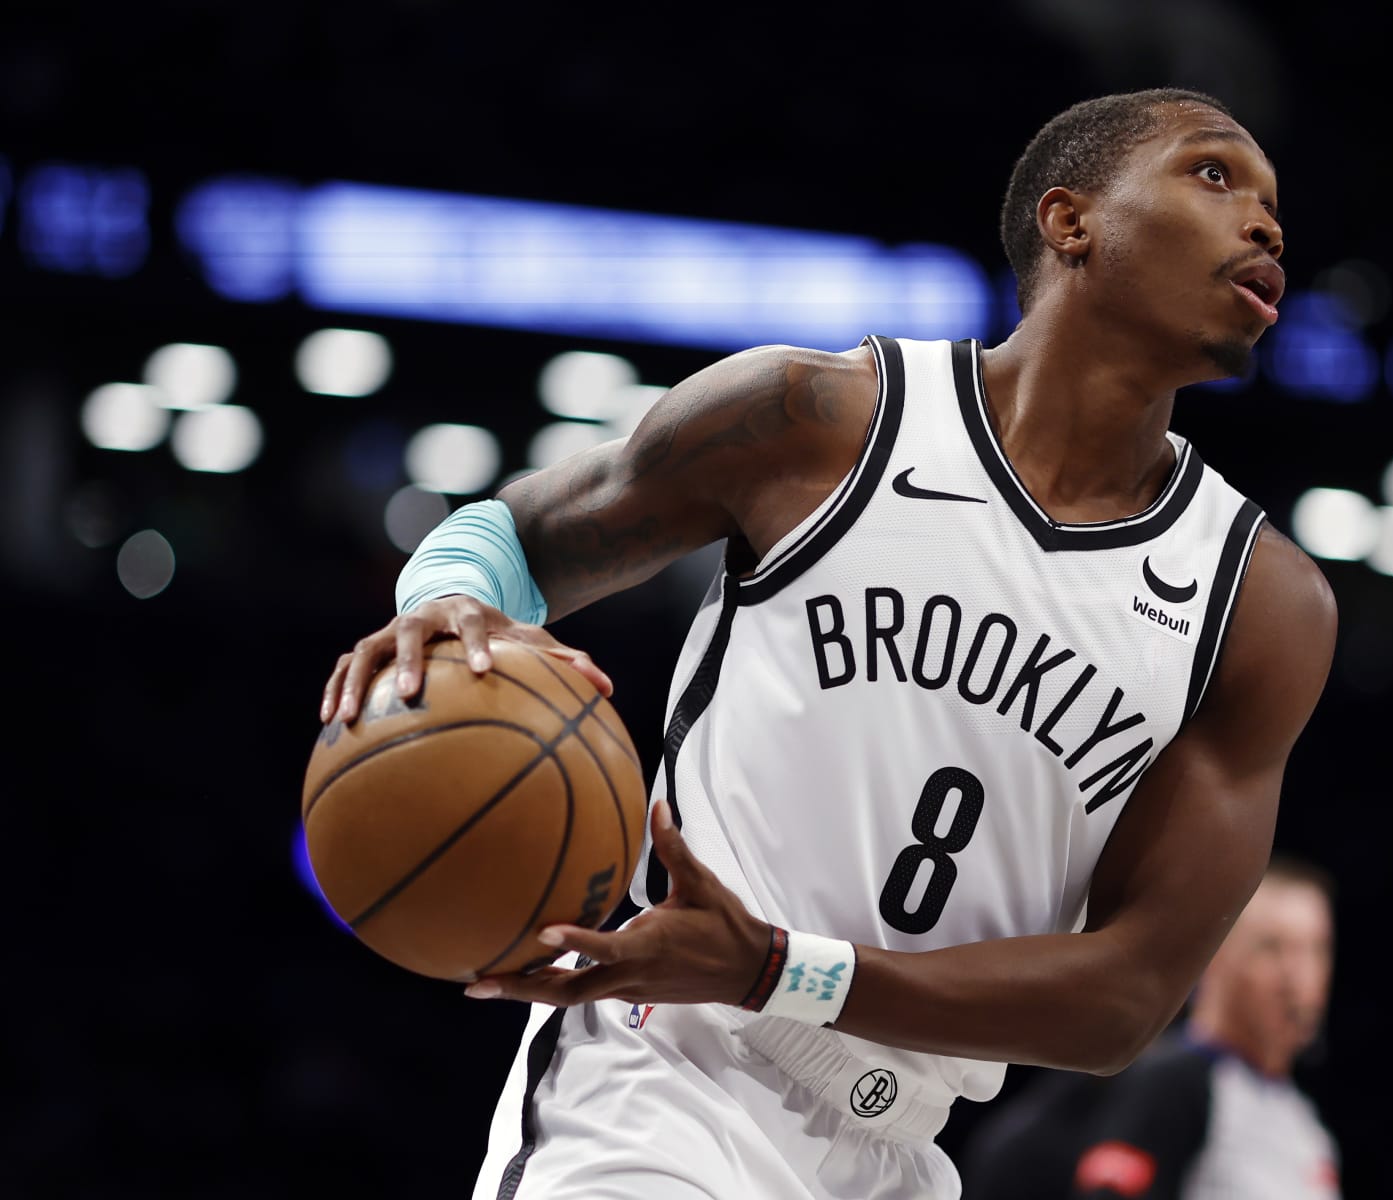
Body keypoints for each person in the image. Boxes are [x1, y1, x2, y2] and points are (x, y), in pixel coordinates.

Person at [318, 85, 1337, 1200]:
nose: (1266, 223)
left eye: (1273, 200)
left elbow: (1125, 1001)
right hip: (674, 1079)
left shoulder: (1261, 605)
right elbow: (519, 534)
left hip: (899, 1148)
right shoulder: (821, 420)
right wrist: (444, 599)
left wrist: (777, 968)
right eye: (1213, 174)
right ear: (1071, 221)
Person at [959, 855, 1340, 1200]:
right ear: (1215, 956)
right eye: (1271, 947)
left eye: (1315, 950)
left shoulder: (1306, 1127)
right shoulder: (1173, 1080)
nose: (1297, 977)